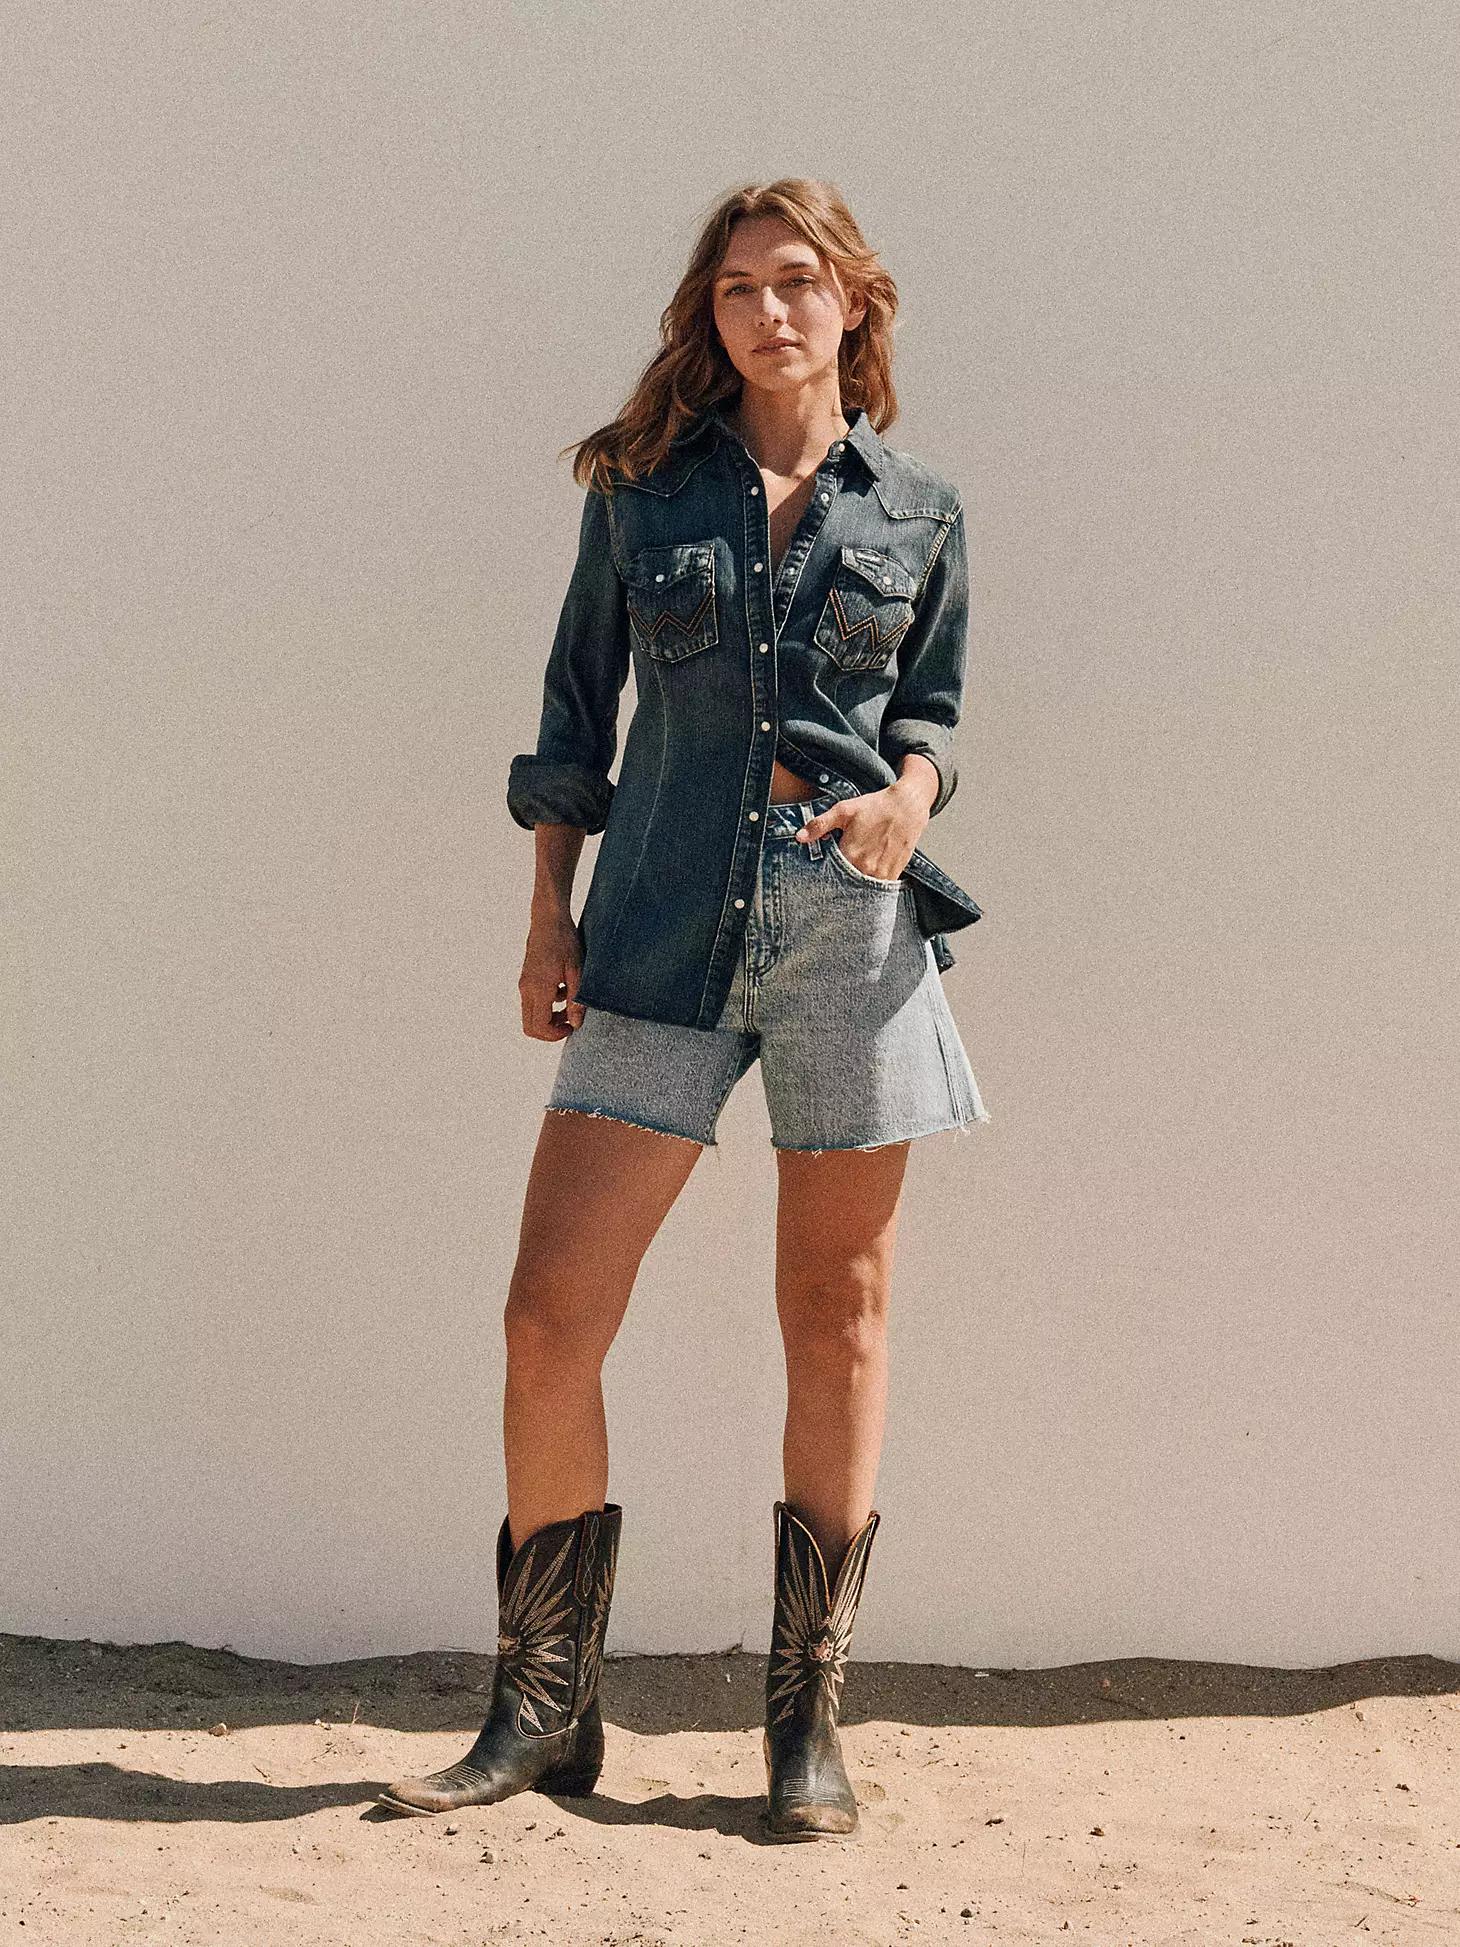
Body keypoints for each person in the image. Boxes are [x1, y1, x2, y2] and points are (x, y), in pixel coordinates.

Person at [377, 176, 991, 1841]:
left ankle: (806, 1727)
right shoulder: (642, 496)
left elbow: (934, 719)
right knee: (548, 1315)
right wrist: (546, 916)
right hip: (654, 927)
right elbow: (576, 716)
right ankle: (544, 1705)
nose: (768, 311)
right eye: (737, 288)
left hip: (850, 936)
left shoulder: (920, 509)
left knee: (835, 1312)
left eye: (797, 281)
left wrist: (910, 802)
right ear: (708, 316)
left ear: (852, 302)